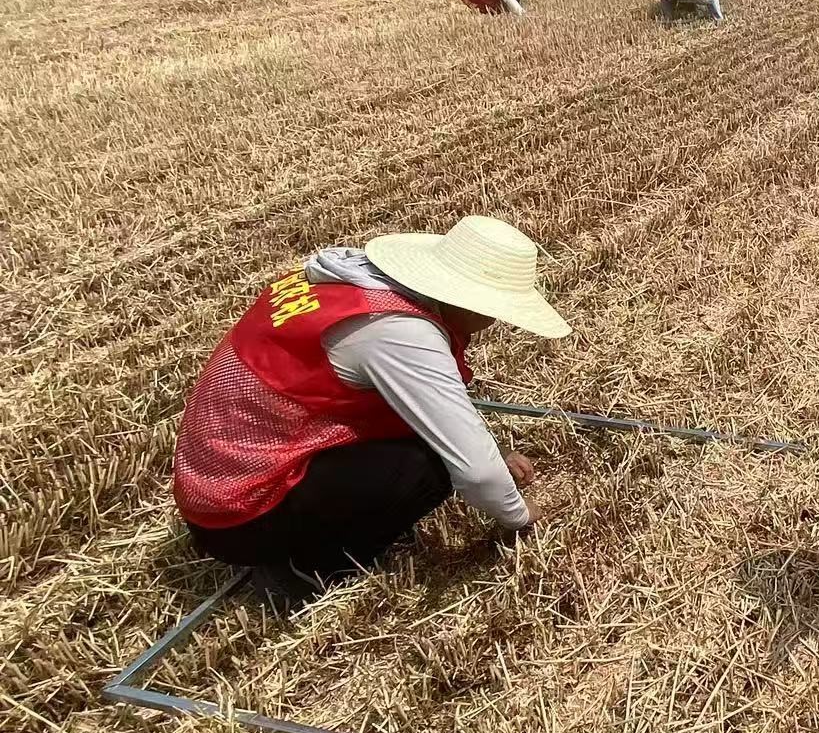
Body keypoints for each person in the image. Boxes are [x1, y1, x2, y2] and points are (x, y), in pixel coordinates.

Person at [172, 215, 569, 600]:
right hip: (242, 512)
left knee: (422, 442)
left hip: (220, 477)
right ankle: (305, 572)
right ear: (474, 304)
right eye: (497, 311)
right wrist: (520, 516)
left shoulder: (355, 282)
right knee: (426, 466)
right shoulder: (396, 331)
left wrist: (495, 452)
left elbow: (419, 403)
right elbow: (476, 472)